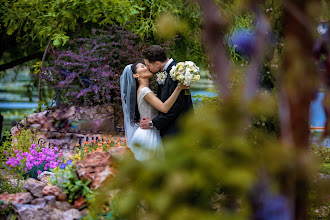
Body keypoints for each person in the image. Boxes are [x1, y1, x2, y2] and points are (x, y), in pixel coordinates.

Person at [120, 62, 188, 161]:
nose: (147, 68)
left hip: (150, 131)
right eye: (143, 66)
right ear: (136, 75)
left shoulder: (145, 90)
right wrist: (179, 88)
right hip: (148, 134)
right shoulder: (144, 91)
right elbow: (164, 108)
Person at [139, 45, 194, 138]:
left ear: (157, 64)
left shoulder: (177, 73)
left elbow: (175, 107)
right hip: (172, 129)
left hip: (178, 130)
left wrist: (153, 123)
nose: (147, 68)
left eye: (148, 65)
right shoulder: (167, 72)